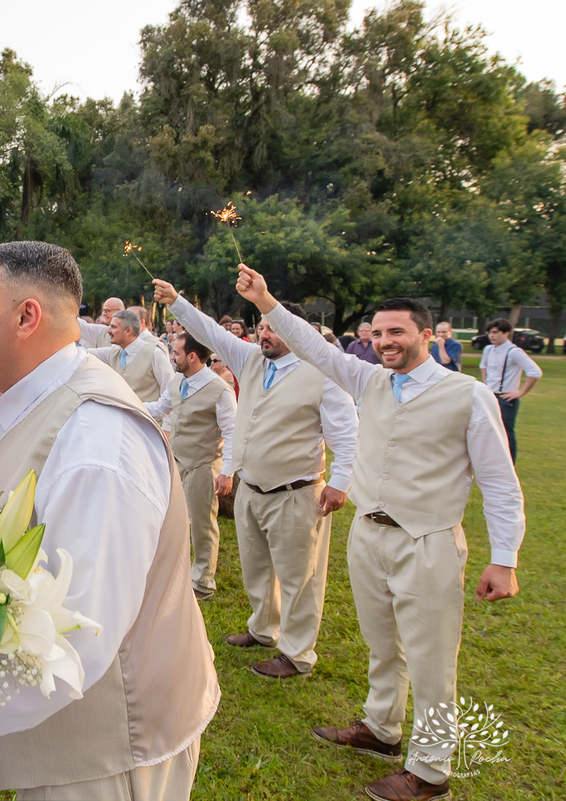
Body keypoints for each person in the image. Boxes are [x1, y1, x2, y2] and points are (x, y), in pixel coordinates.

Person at [234, 264, 524, 801]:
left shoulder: (467, 395)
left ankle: (430, 773)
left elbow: (501, 484)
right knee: (381, 643)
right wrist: (267, 302)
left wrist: (504, 558)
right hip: (368, 535)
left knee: (432, 661)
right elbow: (314, 348)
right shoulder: (370, 381)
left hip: (428, 541)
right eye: (379, 332)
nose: (386, 341)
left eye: (398, 332)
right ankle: (381, 729)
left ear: (426, 335)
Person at [0, 242, 219, 799]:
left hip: (106, 755)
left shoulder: (96, 441)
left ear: (27, 317)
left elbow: (82, 639)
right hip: (70, 744)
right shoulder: (38, 400)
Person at [154, 277, 358, 680]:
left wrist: (341, 481)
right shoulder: (250, 360)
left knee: (299, 577)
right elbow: (209, 331)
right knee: (256, 566)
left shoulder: (321, 372)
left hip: (296, 491)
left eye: (273, 328)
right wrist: (176, 300)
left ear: (298, 332)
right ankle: (264, 628)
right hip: (251, 488)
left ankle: (297, 654)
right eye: (262, 327)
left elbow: (346, 433)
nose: (264, 334)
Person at [160, 331, 237, 600]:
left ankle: (203, 582)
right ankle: (177, 573)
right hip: (178, 462)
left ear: (192, 356)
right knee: (175, 520)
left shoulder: (220, 390)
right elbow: (161, 407)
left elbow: (232, 432)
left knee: (203, 525)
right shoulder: (178, 380)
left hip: (203, 465)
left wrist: (227, 472)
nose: (172, 357)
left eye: (176, 353)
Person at [86, 309, 174, 424]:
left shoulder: (154, 352)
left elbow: (170, 390)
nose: (109, 331)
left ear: (128, 331)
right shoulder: (113, 352)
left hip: (149, 425)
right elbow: (83, 354)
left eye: (113, 327)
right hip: (123, 424)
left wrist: (167, 426)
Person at [480, 318, 541, 462]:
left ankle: (509, 464)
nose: (492, 336)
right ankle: (493, 461)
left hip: (505, 398)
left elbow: (535, 372)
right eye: (490, 333)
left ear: (506, 333)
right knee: (487, 430)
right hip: (490, 395)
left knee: (506, 432)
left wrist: (521, 392)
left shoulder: (514, 352)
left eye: (496, 332)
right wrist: (486, 384)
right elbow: (483, 366)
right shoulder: (488, 349)